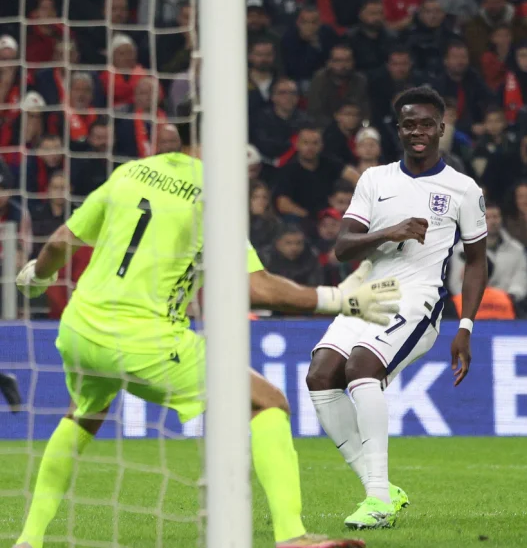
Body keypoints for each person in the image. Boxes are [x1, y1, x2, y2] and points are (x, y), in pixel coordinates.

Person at [12, 131, 399, 548]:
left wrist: (38, 276)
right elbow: (256, 288)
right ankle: (292, 536)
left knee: (84, 413)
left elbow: (61, 240)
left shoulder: (129, 173)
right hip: (143, 336)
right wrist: (339, 299)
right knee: (268, 402)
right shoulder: (213, 194)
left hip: (80, 328)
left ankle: (28, 540)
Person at [303, 86, 489, 530]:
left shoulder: (463, 189)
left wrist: (466, 325)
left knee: (361, 368)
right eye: (409, 125)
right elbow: (343, 247)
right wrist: (389, 232)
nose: (417, 132)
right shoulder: (374, 180)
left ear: (441, 128)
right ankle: (381, 488)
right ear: (398, 130)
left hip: (418, 299)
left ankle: (378, 500)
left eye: (426, 124)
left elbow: (477, 261)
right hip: (369, 293)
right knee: (320, 376)